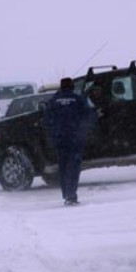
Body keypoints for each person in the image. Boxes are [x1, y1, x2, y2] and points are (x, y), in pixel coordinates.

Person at [42, 77, 96, 206]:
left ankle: (66, 193)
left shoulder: (53, 101)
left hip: (60, 140)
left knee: (63, 167)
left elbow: (46, 121)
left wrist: (53, 134)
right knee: (74, 167)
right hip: (75, 139)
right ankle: (72, 195)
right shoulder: (78, 100)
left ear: (61, 87)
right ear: (72, 86)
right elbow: (89, 116)